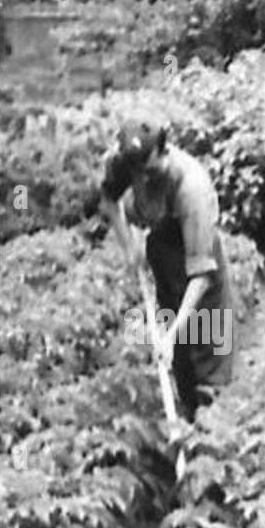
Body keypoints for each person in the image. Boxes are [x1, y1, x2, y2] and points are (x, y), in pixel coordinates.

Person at [99, 120, 236, 420]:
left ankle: (211, 430)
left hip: (200, 266)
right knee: (181, 360)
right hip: (164, 253)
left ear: (163, 150)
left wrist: (170, 336)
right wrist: (129, 247)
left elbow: (200, 276)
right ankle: (186, 415)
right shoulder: (125, 161)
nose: (141, 178)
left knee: (207, 347)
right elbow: (109, 200)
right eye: (135, 172)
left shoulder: (191, 188)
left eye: (147, 170)